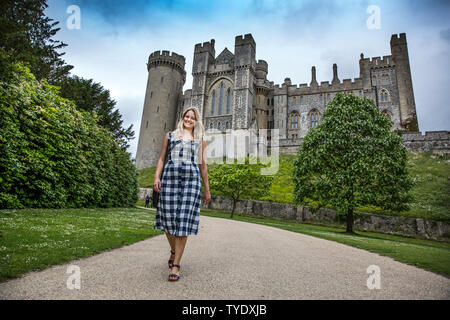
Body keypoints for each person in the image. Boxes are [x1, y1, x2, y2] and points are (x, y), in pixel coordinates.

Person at [153, 106, 211, 281]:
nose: (189, 119)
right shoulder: (170, 136)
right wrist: (157, 177)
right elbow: (162, 158)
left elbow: (203, 166)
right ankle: (173, 250)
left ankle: (176, 265)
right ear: (183, 117)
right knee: (167, 220)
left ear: (196, 121)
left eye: (193, 117)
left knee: (183, 222)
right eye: (187, 116)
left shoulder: (200, 140)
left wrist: (207, 190)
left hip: (191, 182)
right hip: (169, 179)